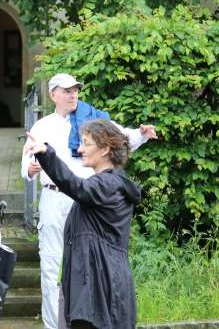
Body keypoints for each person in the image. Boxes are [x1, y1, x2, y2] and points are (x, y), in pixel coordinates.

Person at [20, 73, 157, 329]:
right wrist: (31, 169)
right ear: (53, 95)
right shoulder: (42, 126)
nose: (73, 94)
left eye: (75, 90)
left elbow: (118, 137)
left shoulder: (104, 173)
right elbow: (26, 166)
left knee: (83, 274)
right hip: (56, 197)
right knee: (55, 266)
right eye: (67, 90)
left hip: (86, 198)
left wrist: (140, 134)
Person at [24, 119, 141, 328]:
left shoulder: (108, 184)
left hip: (102, 284)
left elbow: (76, 186)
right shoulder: (108, 184)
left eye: (86, 143)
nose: (80, 149)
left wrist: (45, 153)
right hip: (97, 282)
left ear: (105, 149)